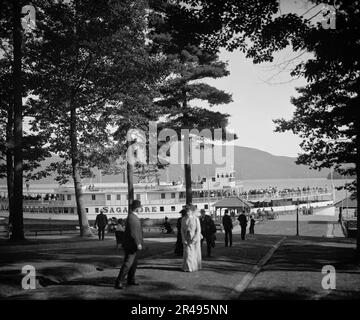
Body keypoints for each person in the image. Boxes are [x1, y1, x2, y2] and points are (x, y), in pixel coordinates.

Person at [115, 200, 143, 289]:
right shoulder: (132, 217)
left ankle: (131, 279)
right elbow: (133, 233)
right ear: (137, 208)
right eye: (140, 208)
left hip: (132, 245)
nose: (141, 209)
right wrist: (138, 243)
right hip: (131, 245)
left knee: (133, 264)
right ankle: (119, 282)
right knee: (128, 263)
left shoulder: (133, 217)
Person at [181, 205, 202, 272]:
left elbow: (198, 230)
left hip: (194, 237)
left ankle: (194, 266)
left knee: (194, 253)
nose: (187, 212)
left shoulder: (196, 219)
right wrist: (183, 238)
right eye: (186, 210)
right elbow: (182, 230)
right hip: (186, 237)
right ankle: (188, 267)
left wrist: (195, 238)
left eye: (189, 210)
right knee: (187, 252)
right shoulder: (183, 219)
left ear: (191, 211)